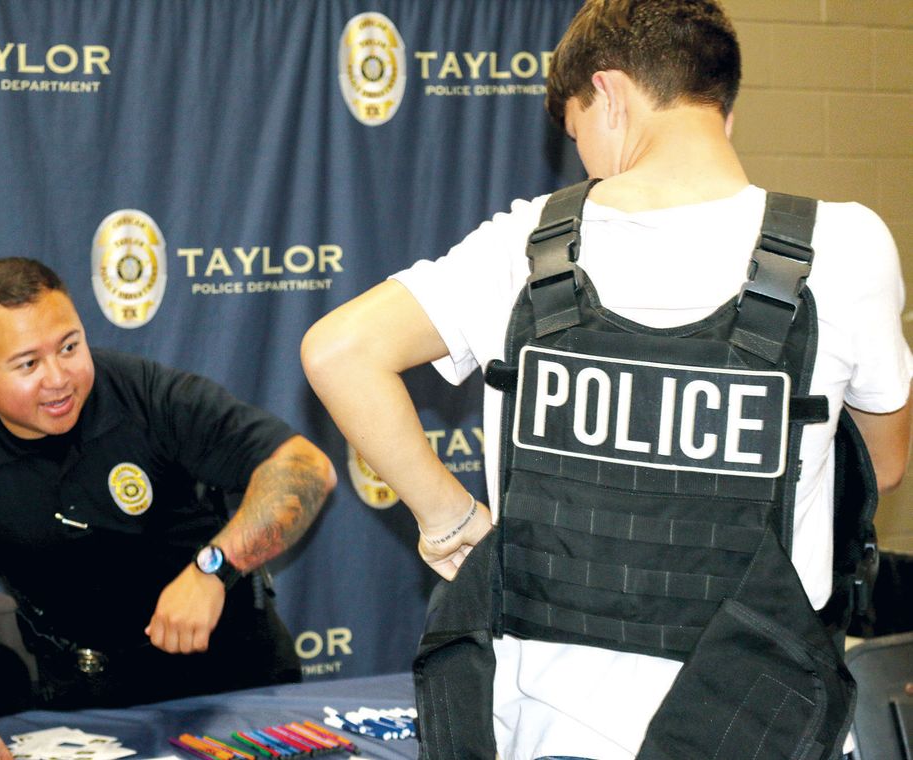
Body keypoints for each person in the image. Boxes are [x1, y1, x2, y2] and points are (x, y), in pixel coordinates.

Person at [301, 1, 912, 759]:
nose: (583, 157)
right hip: (765, 727)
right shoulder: (846, 247)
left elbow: (338, 351)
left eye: (577, 129)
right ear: (725, 101)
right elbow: (883, 466)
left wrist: (449, 520)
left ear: (611, 95)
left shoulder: (522, 249)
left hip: (553, 732)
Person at [0, 257, 336, 760]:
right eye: (28, 364)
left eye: (69, 346)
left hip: (232, 685)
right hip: (82, 701)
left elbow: (305, 468)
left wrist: (214, 567)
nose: (59, 378)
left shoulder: (145, 396)